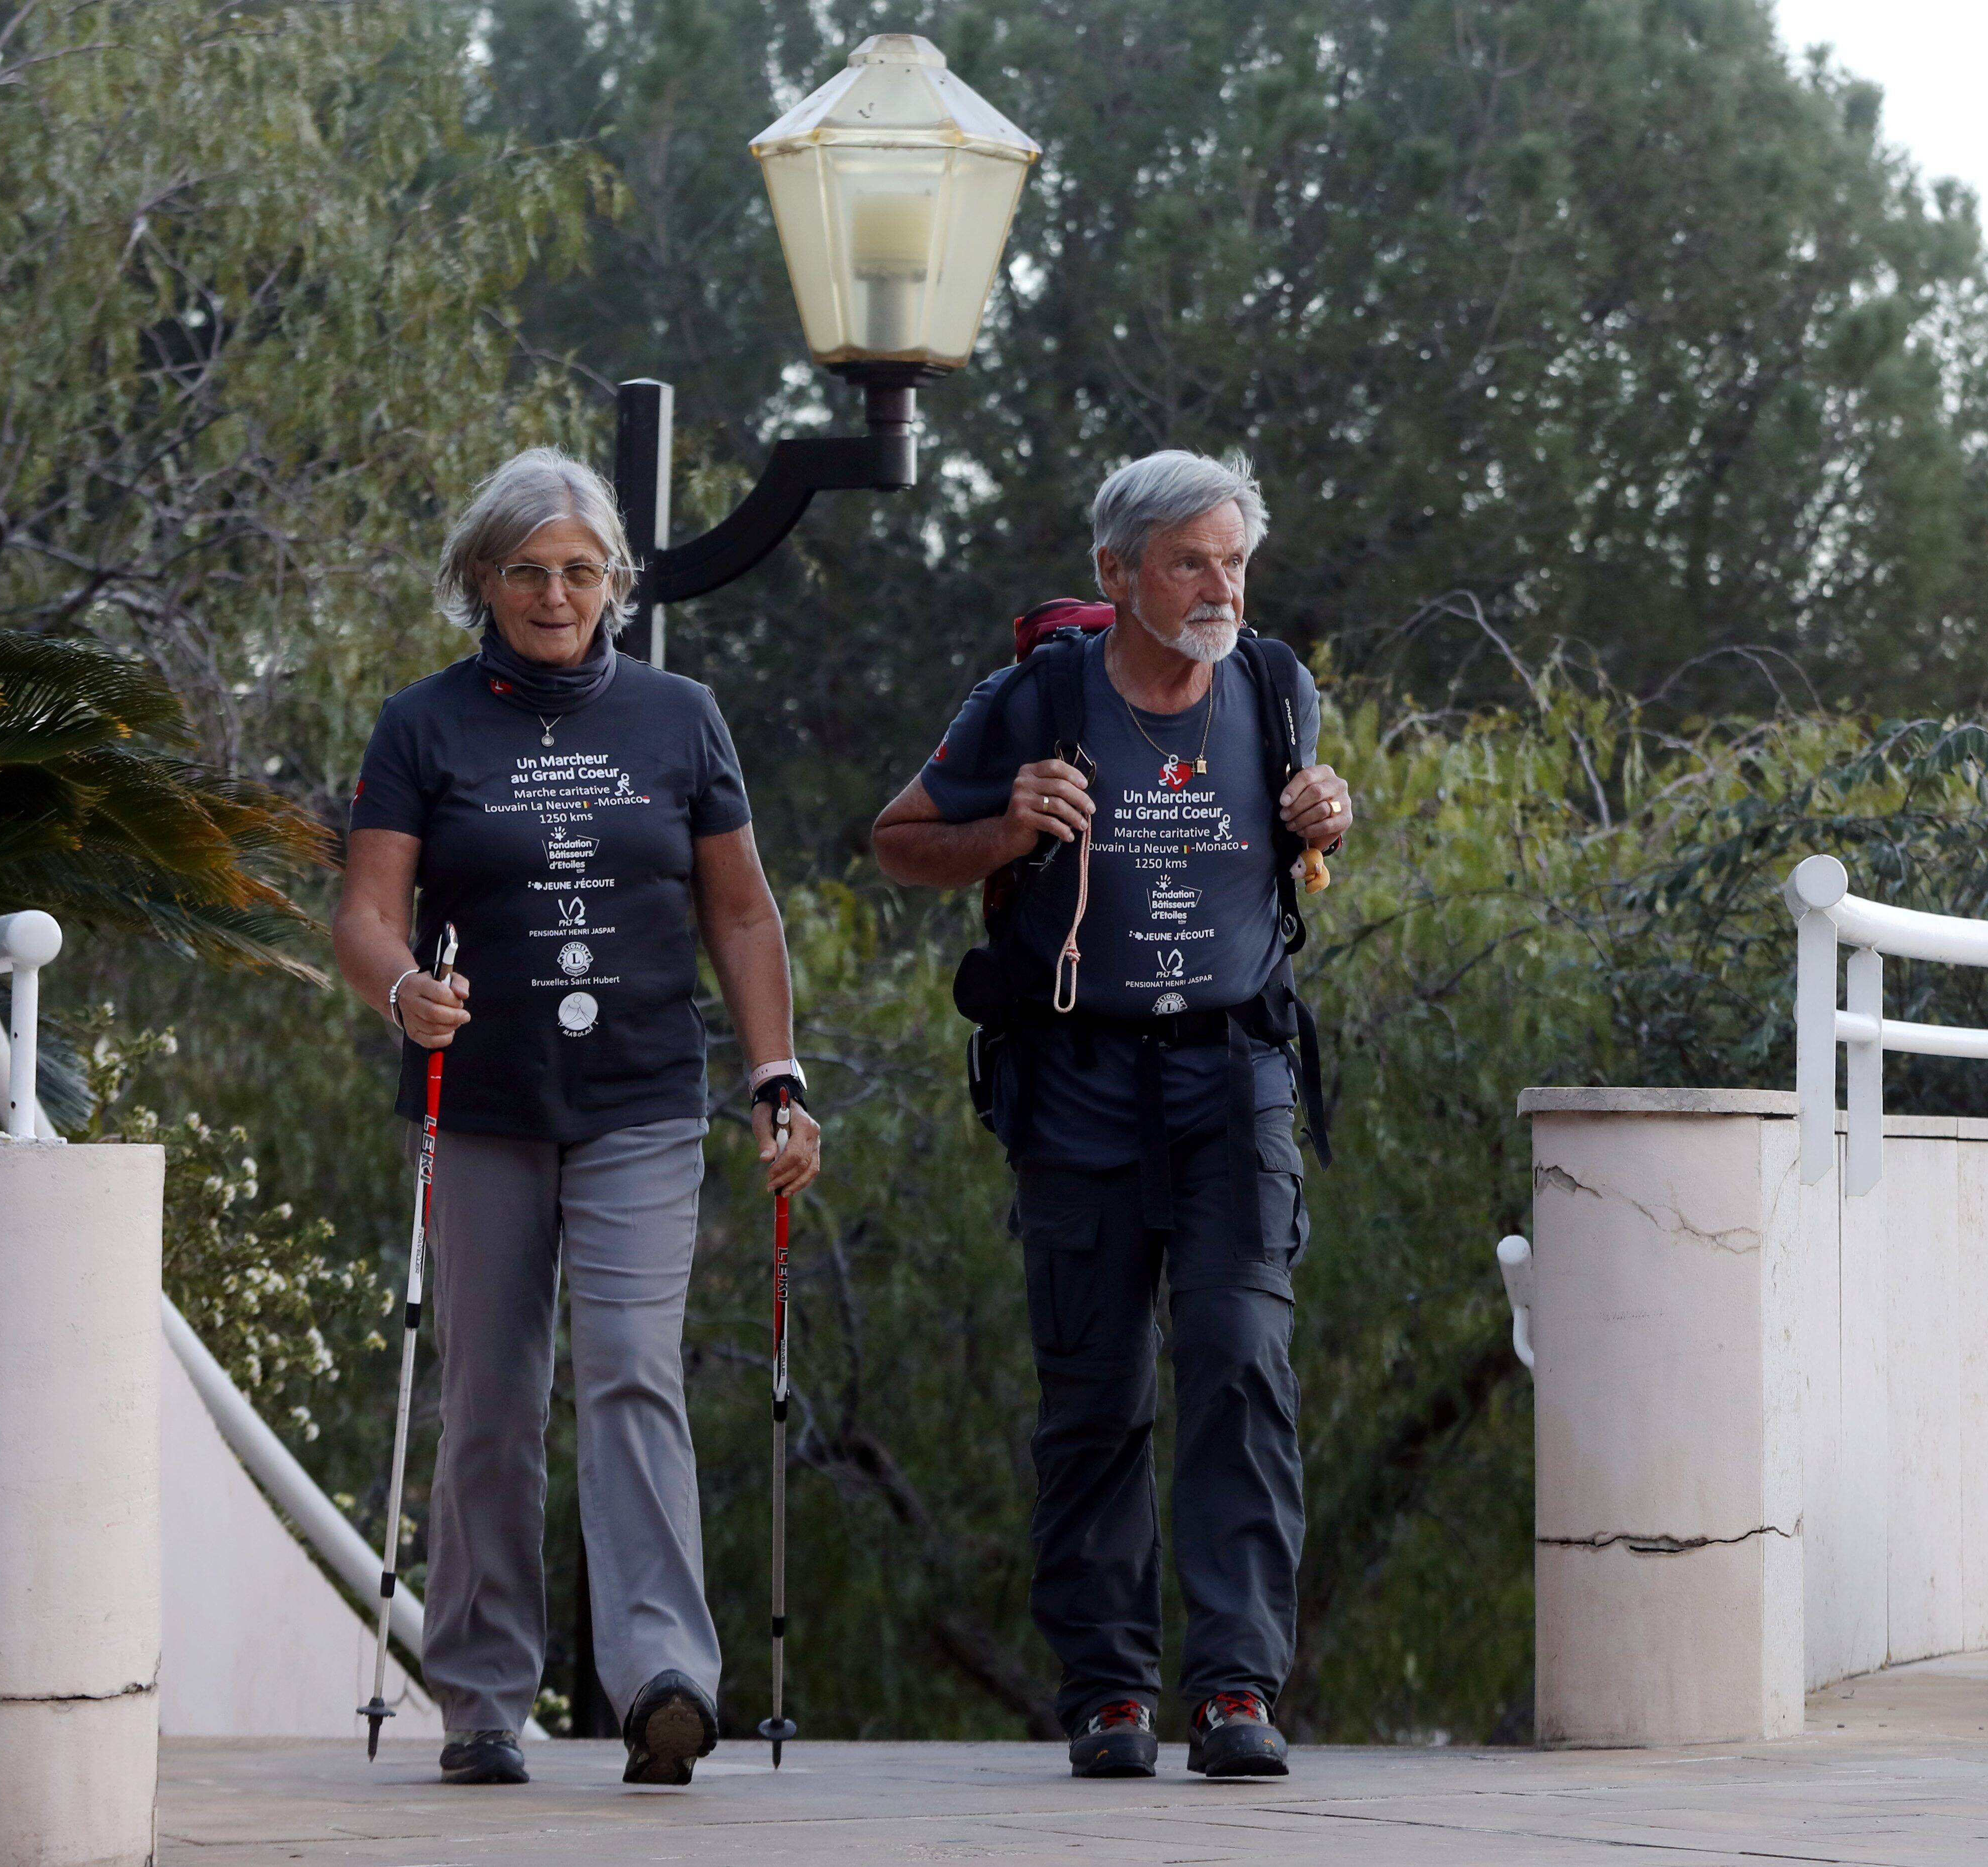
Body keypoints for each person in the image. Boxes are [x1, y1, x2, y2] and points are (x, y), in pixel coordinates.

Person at [333, 446, 822, 1788]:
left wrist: (777, 1075)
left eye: (583, 571)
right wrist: (404, 996)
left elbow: (739, 910)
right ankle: (484, 1696)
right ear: (481, 580)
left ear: (618, 582)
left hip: (642, 1100)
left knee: (629, 1370)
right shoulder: (422, 724)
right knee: (489, 1394)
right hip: (480, 1099)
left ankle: (663, 1673)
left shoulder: (680, 717)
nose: (559, 595)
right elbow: (368, 913)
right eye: (531, 571)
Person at [871, 450, 1351, 1780]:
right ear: (1117, 572)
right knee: (1093, 1389)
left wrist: (1329, 815)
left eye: (1234, 561)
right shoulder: (1033, 698)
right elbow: (900, 838)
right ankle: (1108, 1692)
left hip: (1236, 1074)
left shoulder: (1272, 684)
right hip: (1077, 1080)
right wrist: (1009, 830)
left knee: (1241, 1362)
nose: (1219, 588)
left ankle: (1239, 1686)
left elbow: (1303, 851)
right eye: (1191, 560)